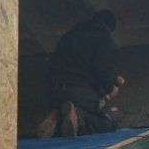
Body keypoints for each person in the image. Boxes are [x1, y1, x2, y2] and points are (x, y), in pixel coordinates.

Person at [39, 9, 124, 137]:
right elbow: (101, 68)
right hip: (79, 91)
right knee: (106, 123)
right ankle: (77, 117)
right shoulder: (102, 38)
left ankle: (55, 116)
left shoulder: (68, 36)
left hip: (55, 90)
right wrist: (110, 88)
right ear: (109, 28)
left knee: (61, 126)